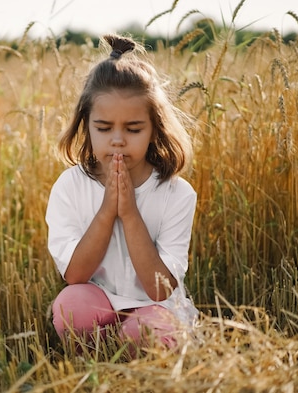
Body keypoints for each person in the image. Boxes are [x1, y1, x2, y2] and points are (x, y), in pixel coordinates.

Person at [45, 33, 198, 356]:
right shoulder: (70, 186)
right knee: (71, 307)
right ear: (85, 125)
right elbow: (75, 275)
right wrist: (106, 212)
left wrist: (129, 213)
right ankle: (95, 364)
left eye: (133, 129)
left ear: (155, 129)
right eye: (103, 128)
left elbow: (159, 288)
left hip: (158, 309)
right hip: (98, 302)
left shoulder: (176, 193)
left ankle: (134, 359)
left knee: (145, 333)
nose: (117, 140)